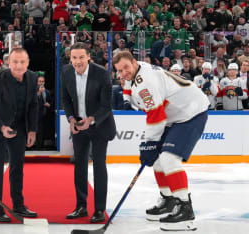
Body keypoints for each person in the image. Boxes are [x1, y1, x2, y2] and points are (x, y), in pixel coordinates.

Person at [114, 51, 209, 231]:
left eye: (126, 67)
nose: (124, 73)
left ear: (134, 62)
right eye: (119, 70)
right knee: (157, 160)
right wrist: (128, 97)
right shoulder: (135, 70)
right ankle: (169, 199)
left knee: (168, 159)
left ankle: (185, 208)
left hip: (190, 112)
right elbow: (128, 82)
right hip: (175, 115)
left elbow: (157, 116)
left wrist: (150, 143)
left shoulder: (145, 83)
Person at [61, 42, 116, 223]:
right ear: (70, 58)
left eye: (81, 57)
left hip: (99, 125)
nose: (78, 61)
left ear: (88, 57)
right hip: (78, 126)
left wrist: (91, 120)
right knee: (80, 166)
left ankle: (99, 210)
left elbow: (106, 105)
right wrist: (71, 119)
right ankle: (81, 207)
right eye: (74, 58)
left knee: (99, 166)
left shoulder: (101, 73)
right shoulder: (67, 72)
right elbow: (66, 99)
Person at [0, 48, 39, 222]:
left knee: (17, 166)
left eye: (22, 62)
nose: (18, 65)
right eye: (15, 61)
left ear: (28, 63)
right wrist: (1, 128)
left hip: (20, 127)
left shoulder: (32, 77)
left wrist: (32, 130)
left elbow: (33, 105)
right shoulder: (0, 78)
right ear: (8, 62)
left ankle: (18, 205)